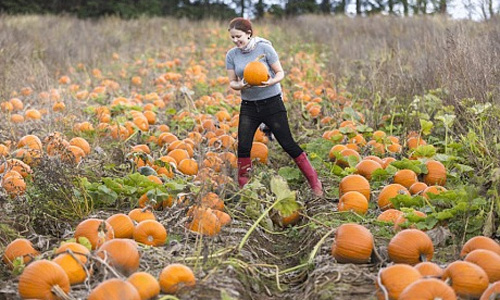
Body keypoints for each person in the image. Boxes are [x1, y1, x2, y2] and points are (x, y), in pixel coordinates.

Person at [225, 17, 323, 197]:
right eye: (232, 37)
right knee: (244, 146)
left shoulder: (265, 48)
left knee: (288, 144)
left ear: (248, 33)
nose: (235, 40)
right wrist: (242, 85)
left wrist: (270, 81)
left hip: (272, 103)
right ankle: (244, 188)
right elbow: (233, 82)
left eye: (238, 36)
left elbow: (280, 73)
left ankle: (315, 182)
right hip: (249, 106)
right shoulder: (232, 55)